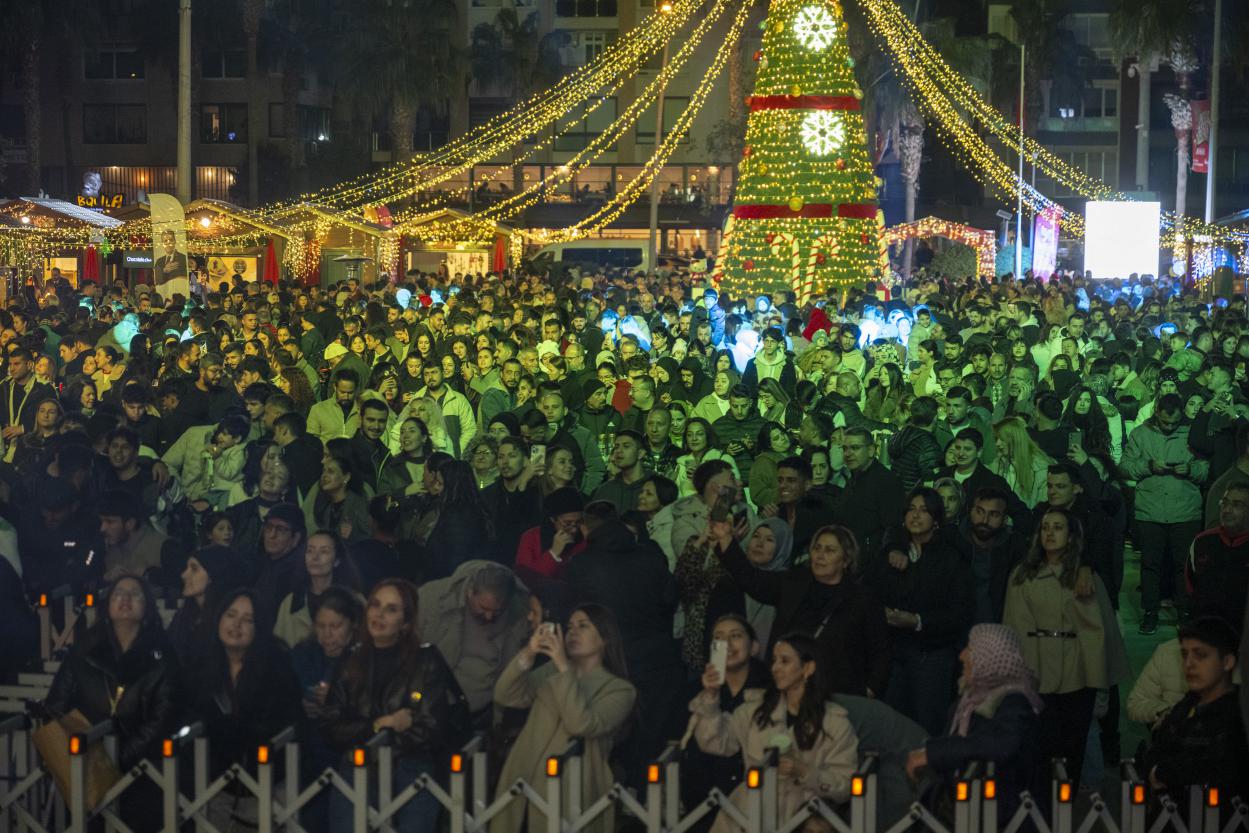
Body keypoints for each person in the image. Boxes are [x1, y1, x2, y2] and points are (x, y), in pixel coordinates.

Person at [321, 579, 470, 830]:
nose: (379, 614)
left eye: (391, 609)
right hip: (358, 763)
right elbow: (330, 726)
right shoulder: (350, 658)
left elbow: (430, 730)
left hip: (411, 765)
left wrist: (372, 734)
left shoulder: (426, 662)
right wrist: (382, 724)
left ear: (407, 622)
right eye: (375, 605)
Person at [43, 575, 181, 831]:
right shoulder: (83, 650)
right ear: (107, 605)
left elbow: (162, 719)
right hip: (84, 770)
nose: (126, 599)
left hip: (142, 773)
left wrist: (118, 758)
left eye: (135, 594)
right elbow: (57, 704)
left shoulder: (164, 657)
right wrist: (88, 759)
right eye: (118, 593)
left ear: (148, 607)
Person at [1003, 507, 1125, 788]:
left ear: (1071, 536)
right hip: (1036, 671)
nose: (1050, 533)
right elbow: (1015, 628)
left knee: (1072, 747)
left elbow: (1096, 633)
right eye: (1045, 527)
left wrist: (1097, 682)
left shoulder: (1085, 578)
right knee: (1038, 746)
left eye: (1058, 527)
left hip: (1076, 673)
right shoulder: (1022, 575)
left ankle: (1065, 804)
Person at [690, 632, 859, 833]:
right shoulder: (754, 711)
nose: (775, 668)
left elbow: (845, 785)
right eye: (774, 660)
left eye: (785, 661)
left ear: (808, 668)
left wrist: (806, 772)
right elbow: (715, 743)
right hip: (748, 814)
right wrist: (710, 697)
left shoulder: (834, 722)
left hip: (804, 816)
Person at [492, 605, 637, 833]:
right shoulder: (550, 672)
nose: (573, 632)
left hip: (572, 791)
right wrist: (529, 652)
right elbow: (506, 695)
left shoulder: (620, 690)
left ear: (605, 638)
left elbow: (581, 724)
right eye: (569, 627)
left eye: (583, 626)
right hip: (523, 780)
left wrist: (563, 668)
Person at [712, 519, 891, 698]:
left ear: (846, 560)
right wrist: (726, 539)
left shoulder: (862, 599)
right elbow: (752, 579)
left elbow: (881, 650)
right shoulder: (794, 584)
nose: (820, 555)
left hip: (836, 694)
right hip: (785, 687)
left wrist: (870, 690)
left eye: (829, 550)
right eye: (817, 548)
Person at [191, 588, 303, 830]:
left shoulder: (277, 668)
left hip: (267, 783)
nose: (237, 624)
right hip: (214, 782)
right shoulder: (200, 666)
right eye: (231, 615)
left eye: (248, 619)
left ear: (259, 627)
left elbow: (285, 725)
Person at [905, 624, 1042, 818]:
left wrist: (933, 753)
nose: (962, 655)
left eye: (970, 648)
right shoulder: (969, 699)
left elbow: (999, 744)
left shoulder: (1014, 701)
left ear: (989, 657)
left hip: (999, 813)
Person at [866, 488, 973, 735]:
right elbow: (869, 591)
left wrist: (917, 621)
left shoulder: (951, 557)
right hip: (893, 652)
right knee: (891, 726)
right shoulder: (892, 551)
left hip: (931, 655)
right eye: (911, 509)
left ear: (936, 518)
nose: (916, 515)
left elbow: (960, 612)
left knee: (926, 727)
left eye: (924, 510)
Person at [1121, 393, 1208, 634]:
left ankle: (1185, 612)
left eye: (1173, 423)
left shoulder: (1192, 435)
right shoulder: (1140, 434)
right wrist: (1148, 466)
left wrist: (1190, 469)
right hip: (1150, 510)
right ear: (1156, 413)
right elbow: (1125, 467)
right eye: (1164, 422)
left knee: (1184, 566)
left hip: (1185, 510)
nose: (1169, 427)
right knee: (1151, 565)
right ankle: (1150, 612)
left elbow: (1205, 468)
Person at [1139, 616, 1249, 799]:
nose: (1189, 664)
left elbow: (1219, 765)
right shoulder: (1188, 704)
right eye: (1184, 655)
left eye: (1201, 655)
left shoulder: (1237, 717)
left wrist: (1161, 772)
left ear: (1227, 662)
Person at [416, 561, 531, 726]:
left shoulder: (518, 613)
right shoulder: (432, 599)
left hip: (479, 716)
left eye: (497, 611)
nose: (489, 617)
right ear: (469, 592)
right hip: (425, 709)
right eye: (483, 608)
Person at [274, 530, 361, 647]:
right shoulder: (290, 603)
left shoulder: (355, 601)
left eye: (324, 551)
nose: (315, 557)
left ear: (337, 560)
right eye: (310, 551)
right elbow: (278, 648)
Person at [515, 487, 586, 578]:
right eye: (567, 524)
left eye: (578, 522)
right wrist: (553, 553)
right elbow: (524, 579)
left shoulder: (585, 537)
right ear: (553, 519)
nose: (574, 530)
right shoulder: (530, 538)